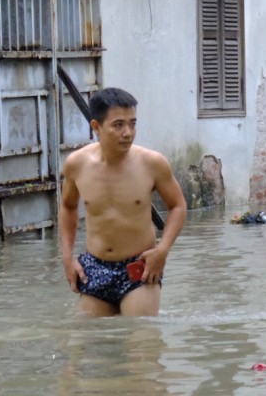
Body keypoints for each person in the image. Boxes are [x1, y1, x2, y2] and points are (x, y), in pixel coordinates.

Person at [59, 87, 187, 317]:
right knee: (88, 346)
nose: (128, 132)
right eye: (118, 125)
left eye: (132, 123)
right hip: (94, 267)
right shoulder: (76, 164)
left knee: (142, 342)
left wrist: (162, 250)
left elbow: (177, 206)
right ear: (96, 127)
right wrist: (67, 258)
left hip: (139, 268)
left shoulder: (152, 163)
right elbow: (68, 207)